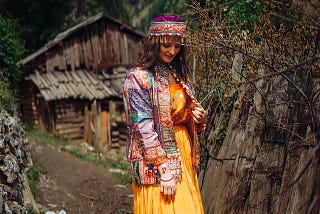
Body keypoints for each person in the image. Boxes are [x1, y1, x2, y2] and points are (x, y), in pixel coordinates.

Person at [123, 15, 206, 214]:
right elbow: (141, 126)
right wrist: (164, 170)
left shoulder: (178, 74)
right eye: (167, 45)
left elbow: (179, 113)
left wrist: (195, 117)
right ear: (154, 42)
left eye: (177, 46)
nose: (172, 51)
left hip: (182, 152)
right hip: (154, 157)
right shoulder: (138, 78)